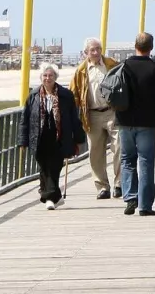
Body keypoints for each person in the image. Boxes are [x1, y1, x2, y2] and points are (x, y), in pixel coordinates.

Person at [115, 32, 155, 217]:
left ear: (135, 46)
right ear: (151, 47)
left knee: (127, 160)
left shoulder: (124, 67)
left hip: (124, 121)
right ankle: (145, 205)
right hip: (147, 123)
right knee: (146, 162)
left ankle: (131, 197)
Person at [18, 65, 84, 209]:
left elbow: (74, 119)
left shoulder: (66, 95)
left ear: (55, 78)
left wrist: (78, 139)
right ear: (41, 77)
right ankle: (54, 195)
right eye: (45, 76)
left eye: (51, 76)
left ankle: (49, 198)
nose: (48, 79)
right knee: (43, 167)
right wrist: (22, 140)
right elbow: (25, 120)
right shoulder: (33, 96)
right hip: (39, 137)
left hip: (58, 137)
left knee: (54, 166)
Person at [70, 37, 120, 200]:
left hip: (113, 111)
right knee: (95, 152)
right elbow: (74, 94)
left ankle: (120, 183)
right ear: (86, 53)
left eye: (98, 48)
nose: (96, 52)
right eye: (92, 50)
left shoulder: (111, 64)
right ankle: (102, 187)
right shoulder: (81, 71)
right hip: (92, 114)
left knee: (119, 147)